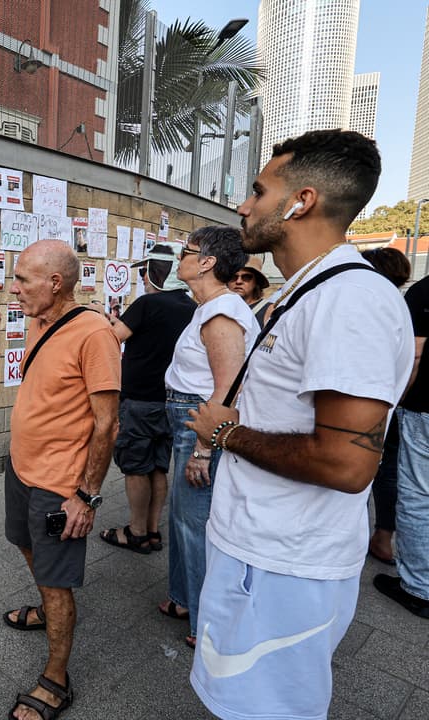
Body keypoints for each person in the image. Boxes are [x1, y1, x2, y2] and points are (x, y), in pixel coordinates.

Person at [185, 130, 413, 719]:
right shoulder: (307, 292)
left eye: (259, 191)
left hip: (283, 564)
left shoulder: (348, 301)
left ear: (301, 201)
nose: (243, 206)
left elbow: (346, 462)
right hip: (262, 549)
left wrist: (225, 434)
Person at [1, 240, 119, 720]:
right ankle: (51, 614)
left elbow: (107, 423)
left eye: (22, 280)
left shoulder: (94, 335)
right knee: (24, 545)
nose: (14, 289)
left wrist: (86, 497)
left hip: (60, 486)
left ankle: (56, 678)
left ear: (55, 283)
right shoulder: (38, 321)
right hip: (21, 469)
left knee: (55, 582)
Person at [154, 227, 257, 650]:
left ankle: (203, 620)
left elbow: (227, 389)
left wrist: (202, 449)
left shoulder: (221, 314)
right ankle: (183, 599)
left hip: (199, 426)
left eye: (186, 251)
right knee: (181, 518)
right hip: (188, 420)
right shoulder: (211, 307)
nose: (180, 257)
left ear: (207, 262)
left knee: (195, 525)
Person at [99, 243, 196, 558]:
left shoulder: (146, 304)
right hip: (170, 400)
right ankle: (153, 530)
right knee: (157, 466)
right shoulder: (191, 307)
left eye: (145, 271)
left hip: (139, 400)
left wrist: (102, 319)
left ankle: (136, 532)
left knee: (136, 467)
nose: (142, 277)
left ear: (157, 272)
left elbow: (116, 336)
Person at [374, 266, 429, 618]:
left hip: (424, 409)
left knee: (417, 495)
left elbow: (415, 355)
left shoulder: (425, 292)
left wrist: (390, 405)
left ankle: (419, 587)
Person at [360, 247, 412, 566]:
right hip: (393, 405)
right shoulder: (400, 307)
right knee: (387, 469)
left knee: (367, 469)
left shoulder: (373, 309)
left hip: (379, 407)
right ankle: (383, 536)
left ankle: (378, 537)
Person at [227, 255, 271, 325]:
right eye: (233, 277)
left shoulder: (269, 310)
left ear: (256, 281)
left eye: (246, 277)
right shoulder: (219, 307)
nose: (238, 281)